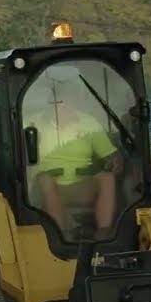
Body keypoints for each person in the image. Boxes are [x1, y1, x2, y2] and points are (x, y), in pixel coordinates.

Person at [25, 78, 121, 239]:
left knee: (107, 178)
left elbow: (110, 154)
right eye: (61, 101)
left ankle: (104, 234)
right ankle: (62, 236)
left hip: (81, 184)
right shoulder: (31, 123)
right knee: (45, 180)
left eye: (71, 101)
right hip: (42, 186)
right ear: (51, 102)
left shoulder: (88, 123)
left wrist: (114, 162)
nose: (66, 106)